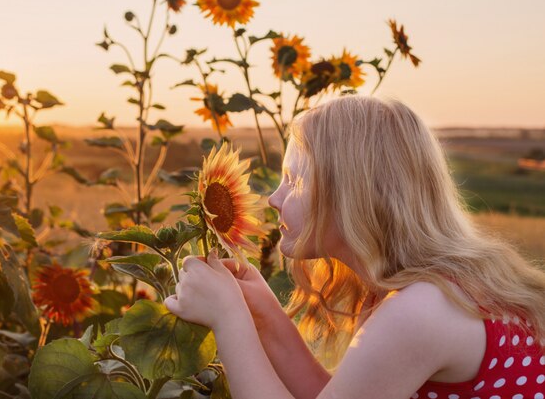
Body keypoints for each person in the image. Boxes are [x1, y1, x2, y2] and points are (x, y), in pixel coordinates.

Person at [164, 95, 545, 399]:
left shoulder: (419, 311)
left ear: (352, 197)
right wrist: (262, 313)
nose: (273, 199)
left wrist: (229, 318)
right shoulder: (411, 292)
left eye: (294, 181)